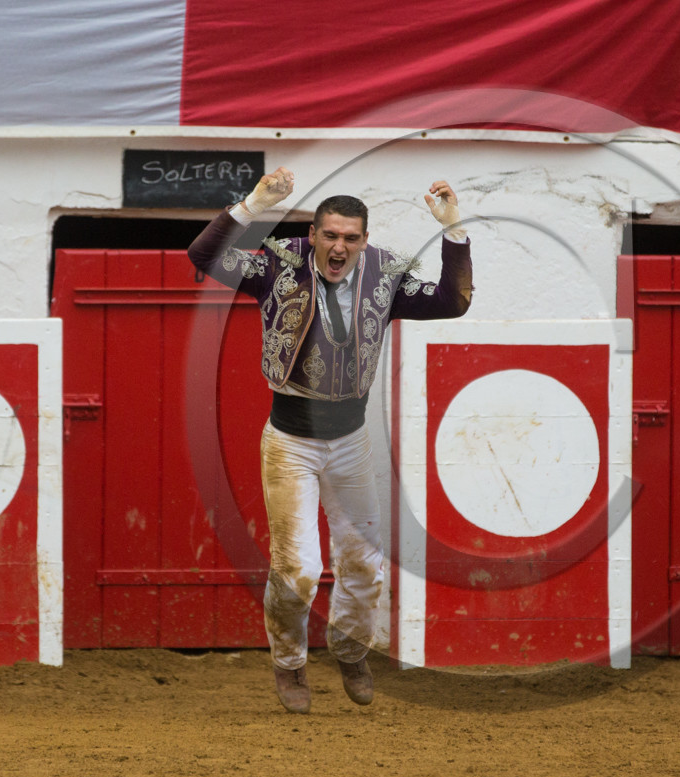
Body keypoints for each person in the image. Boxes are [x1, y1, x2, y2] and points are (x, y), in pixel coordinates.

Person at [188, 168, 473, 713]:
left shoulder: (385, 272)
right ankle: (290, 663)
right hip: (290, 440)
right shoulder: (278, 262)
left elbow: (452, 301)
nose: (339, 246)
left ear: (363, 241)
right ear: (313, 235)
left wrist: (453, 229)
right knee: (297, 569)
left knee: (364, 562)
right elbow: (204, 258)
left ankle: (349, 649)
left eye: (351, 237)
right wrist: (253, 204)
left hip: (351, 441)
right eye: (330, 235)